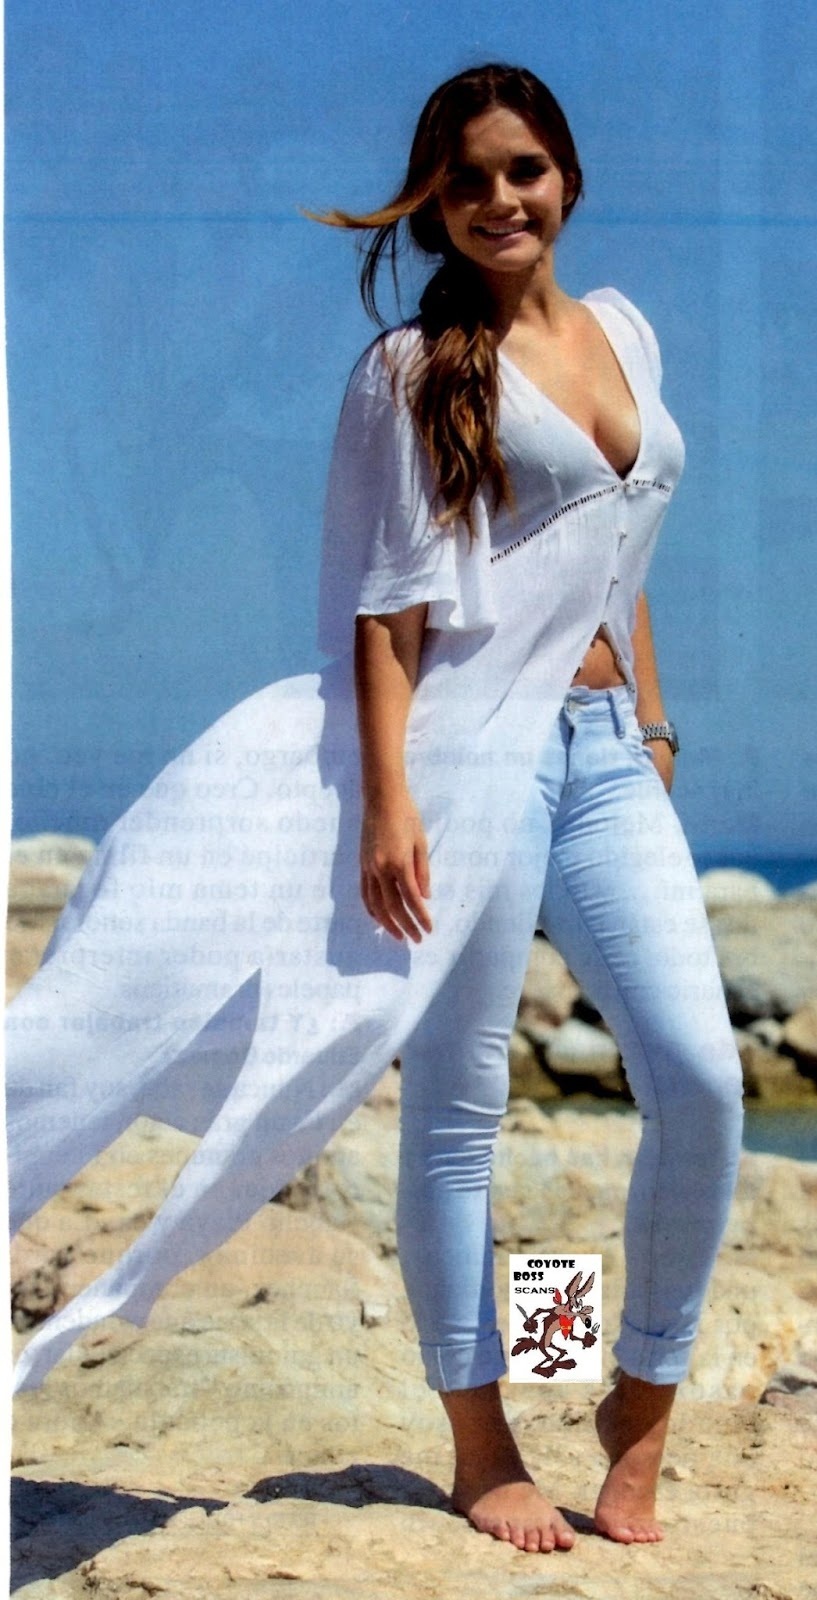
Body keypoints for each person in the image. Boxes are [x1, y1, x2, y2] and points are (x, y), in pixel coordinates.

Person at [6, 63, 744, 1554]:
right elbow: (384, 609)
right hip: (468, 764)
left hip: (607, 754)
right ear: (430, 201)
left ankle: (637, 1400)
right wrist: (389, 804)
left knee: (702, 1079)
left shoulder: (625, 332)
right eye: (465, 178)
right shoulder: (412, 369)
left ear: (567, 176)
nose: (498, 199)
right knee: (464, 1102)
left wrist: (652, 726)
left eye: (522, 169)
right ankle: (482, 1442)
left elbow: (623, 554)